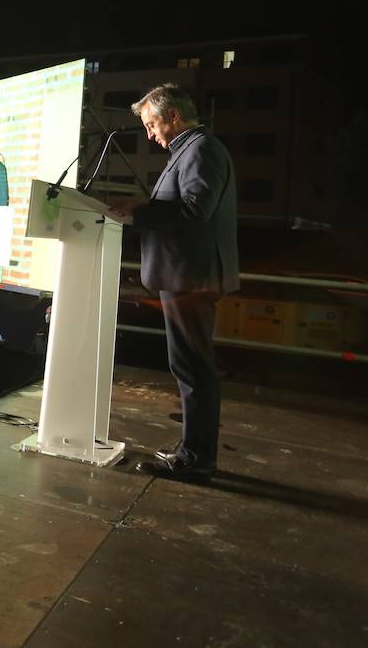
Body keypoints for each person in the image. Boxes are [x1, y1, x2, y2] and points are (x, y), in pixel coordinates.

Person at [121, 84, 238, 481]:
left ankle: (196, 458)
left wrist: (139, 213)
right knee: (188, 365)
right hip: (186, 275)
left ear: (173, 116)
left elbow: (194, 210)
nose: (150, 135)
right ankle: (195, 448)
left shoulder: (201, 149)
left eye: (152, 125)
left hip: (191, 276)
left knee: (193, 367)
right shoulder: (188, 150)